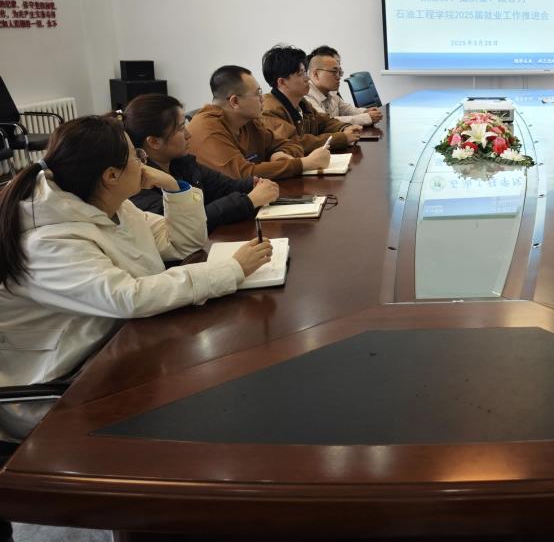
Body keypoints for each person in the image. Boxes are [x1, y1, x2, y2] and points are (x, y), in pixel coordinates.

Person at [0, 116, 272, 443]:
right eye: (136, 156)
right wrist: (230, 270)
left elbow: (182, 243)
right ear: (111, 175)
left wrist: (174, 187)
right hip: (61, 386)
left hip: (116, 347)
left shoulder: (110, 205)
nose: (143, 162)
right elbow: (128, 297)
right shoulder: (48, 240)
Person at [122, 94, 280, 232]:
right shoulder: (138, 186)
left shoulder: (182, 163)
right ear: (154, 142)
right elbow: (189, 224)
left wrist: (253, 184)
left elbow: (224, 186)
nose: (188, 134)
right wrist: (249, 201)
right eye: (181, 128)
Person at [189, 65, 330, 180]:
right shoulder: (207, 129)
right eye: (257, 94)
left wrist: (279, 153)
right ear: (235, 101)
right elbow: (243, 174)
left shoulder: (247, 120)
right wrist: (305, 163)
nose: (263, 99)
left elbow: (290, 143)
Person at [260, 45, 361, 154]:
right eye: (300, 74)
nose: (307, 78)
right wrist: (342, 138)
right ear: (282, 82)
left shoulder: (301, 102)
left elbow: (324, 122)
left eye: (305, 72)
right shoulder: (269, 111)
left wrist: (344, 128)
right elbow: (295, 143)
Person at [305, 45, 383, 126]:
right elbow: (325, 122)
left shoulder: (330, 92)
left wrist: (365, 111)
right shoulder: (306, 95)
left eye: (339, 72)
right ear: (316, 74)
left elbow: (346, 109)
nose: (338, 77)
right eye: (334, 72)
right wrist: (366, 118)